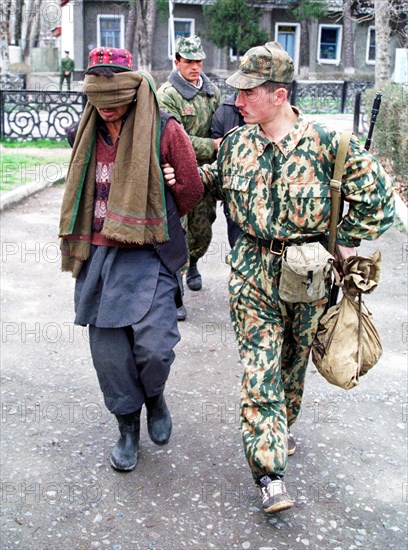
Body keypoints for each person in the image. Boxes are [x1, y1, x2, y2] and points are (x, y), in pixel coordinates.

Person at [165, 42, 395, 514]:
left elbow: (381, 201)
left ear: (279, 94)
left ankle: (280, 426)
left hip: (308, 276)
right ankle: (268, 473)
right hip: (251, 273)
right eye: (237, 93)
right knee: (260, 370)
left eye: (248, 93)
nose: (237, 102)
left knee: (292, 365)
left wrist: (344, 238)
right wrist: (180, 174)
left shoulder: (330, 147)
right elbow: (211, 179)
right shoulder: (236, 145)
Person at [59, 47, 203, 473]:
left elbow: (192, 189)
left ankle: (155, 397)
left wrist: (166, 189)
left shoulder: (164, 130)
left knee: (155, 350)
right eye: (99, 104)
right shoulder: (84, 133)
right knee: (110, 355)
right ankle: (126, 427)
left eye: (116, 103)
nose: (107, 112)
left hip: (149, 253)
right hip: (99, 256)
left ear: (135, 91)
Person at [157, 35, 221, 318]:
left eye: (199, 61)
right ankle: (176, 288)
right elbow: (174, 140)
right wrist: (213, 145)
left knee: (203, 227)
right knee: (177, 231)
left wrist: (221, 146)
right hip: (177, 174)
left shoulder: (212, 92)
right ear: (177, 61)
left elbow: (219, 127)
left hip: (206, 175)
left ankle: (194, 262)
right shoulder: (167, 94)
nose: (195, 66)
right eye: (189, 61)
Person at [210, 91, 244, 248]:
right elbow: (218, 159)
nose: (240, 103)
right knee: (237, 246)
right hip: (235, 197)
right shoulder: (225, 111)